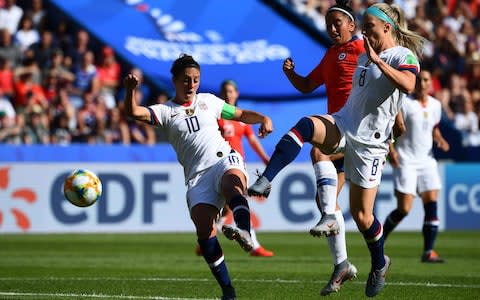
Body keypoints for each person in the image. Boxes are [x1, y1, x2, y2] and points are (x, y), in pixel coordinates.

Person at [248, 2, 424, 297]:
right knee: (306, 127)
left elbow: (408, 84)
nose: (365, 31)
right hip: (344, 124)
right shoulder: (361, 57)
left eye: (369, 26)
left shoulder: (400, 55)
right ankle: (267, 181)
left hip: (371, 144)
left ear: (387, 28)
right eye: (364, 26)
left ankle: (379, 262)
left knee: (363, 216)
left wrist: (379, 64)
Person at [123, 54, 273, 300]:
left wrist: (263, 118)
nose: (191, 85)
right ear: (174, 80)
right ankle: (228, 291)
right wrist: (130, 91)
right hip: (197, 177)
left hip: (223, 158)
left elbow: (240, 114)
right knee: (204, 230)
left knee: (232, 185)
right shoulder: (166, 111)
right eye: (185, 80)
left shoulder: (209, 101)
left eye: (195, 80)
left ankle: (244, 231)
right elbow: (133, 112)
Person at [279, 0, 362, 295]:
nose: (331, 28)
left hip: (358, 132)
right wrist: (291, 74)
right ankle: (343, 264)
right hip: (339, 131)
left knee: (318, 151)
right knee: (327, 201)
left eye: (337, 22)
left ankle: (365, 255)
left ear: (352, 25)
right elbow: (306, 86)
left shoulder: (363, 50)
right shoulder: (330, 55)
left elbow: (385, 83)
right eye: (328, 24)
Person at [383, 70, 449, 263]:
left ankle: (429, 251)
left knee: (431, 203)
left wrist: (440, 140)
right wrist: (391, 150)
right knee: (404, 209)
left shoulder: (436, 105)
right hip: (406, 160)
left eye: (426, 80)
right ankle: (380, 238)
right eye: (419, 80)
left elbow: (433, 128)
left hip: (427, 160)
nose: (422, 83)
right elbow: (389, 127)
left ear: (431, 83)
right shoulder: (404, 102)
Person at [216, 79, 273, 257]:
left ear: (237, 94)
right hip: (222, 165)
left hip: (238, 165)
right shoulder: (217, 117)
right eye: (225, 91)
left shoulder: (241, 119)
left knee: (225, 208)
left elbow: (252, 140)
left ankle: (205, 239)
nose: (228, 94)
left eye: (231, 91)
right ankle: (254, 245)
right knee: (237, 201)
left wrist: (265, 159)